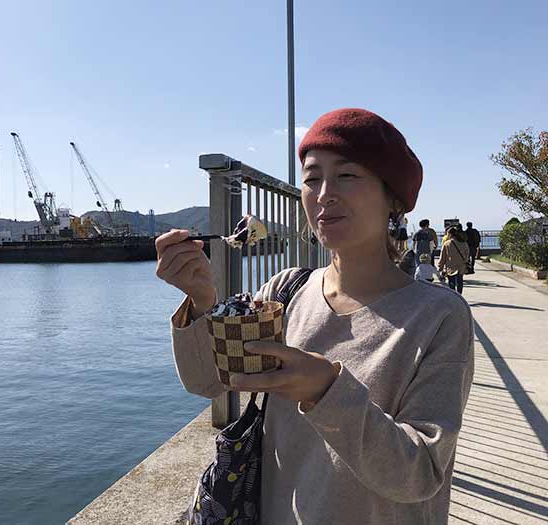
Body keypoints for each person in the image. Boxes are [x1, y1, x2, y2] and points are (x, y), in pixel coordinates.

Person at [155, 108, 474, 524]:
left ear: (392, 197)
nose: (324, 193)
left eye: (346, 175)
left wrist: (325, 389)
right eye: (311, 178)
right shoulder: (286, 292)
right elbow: (207, 381)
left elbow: (420, 474)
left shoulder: (439, 316)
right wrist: (200, 300)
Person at [438, 227, 470, 294]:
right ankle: (459, 295)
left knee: (451, 283)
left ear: (450, 234)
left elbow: (443, 257)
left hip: (451, 266)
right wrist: (465, 261)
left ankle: (453, 295)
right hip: (461, 266)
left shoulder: (447, 243)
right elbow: (467, 254)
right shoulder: (463, 242)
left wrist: (440, 267)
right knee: (460, 281)